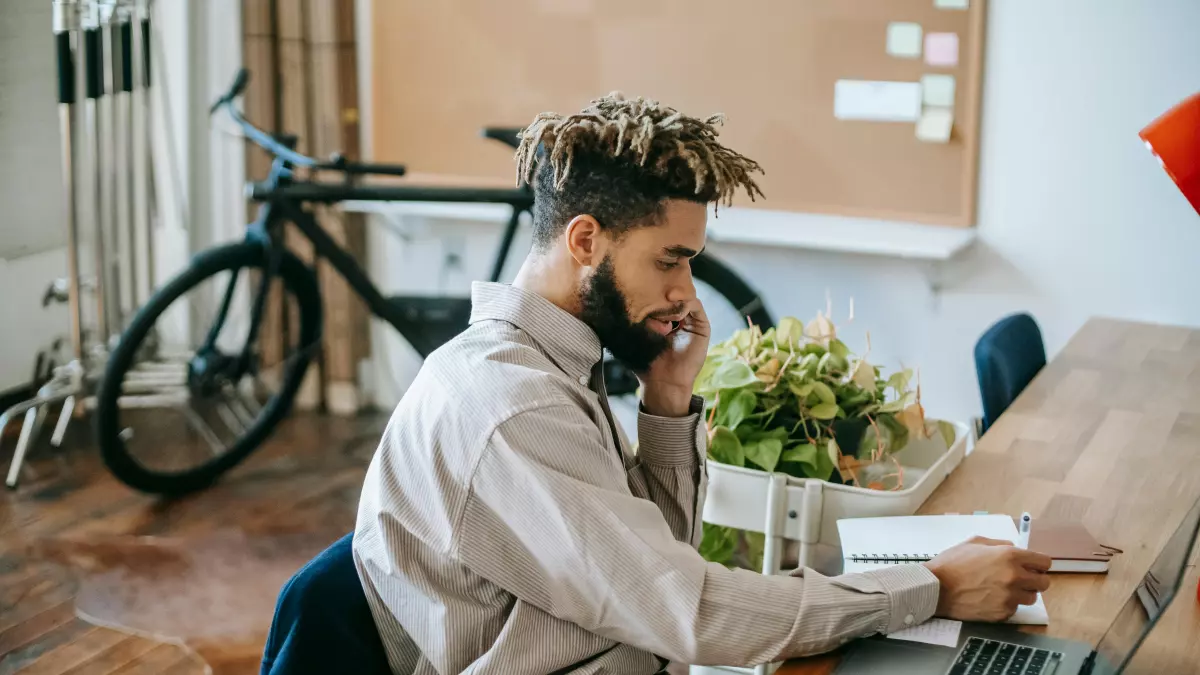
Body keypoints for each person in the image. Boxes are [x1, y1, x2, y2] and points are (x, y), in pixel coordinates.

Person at [352, 93, 1052, 674]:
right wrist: (929, 587)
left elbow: (661, 566)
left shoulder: (554, 365)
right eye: (670, 260)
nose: (686, 292)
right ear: (586, 241)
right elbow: (692, 609)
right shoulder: (515, 407)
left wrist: (666, 400)